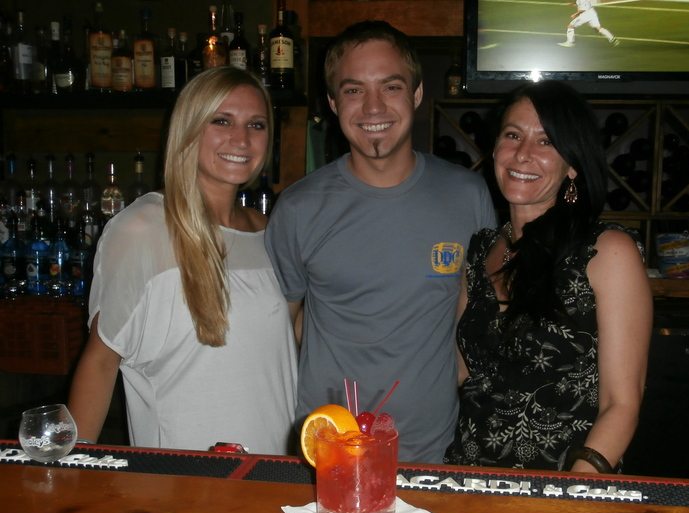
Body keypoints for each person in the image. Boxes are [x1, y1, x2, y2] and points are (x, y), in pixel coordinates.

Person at [265, 21, 496, 464]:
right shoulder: (297, 208)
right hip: (327, 453)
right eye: (353, 90)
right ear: (333, 103)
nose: (373, 107)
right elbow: (281, 330)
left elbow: (472, 317)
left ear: (416, 94)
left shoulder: (468, 196)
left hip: (432, 454)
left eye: (390, 86)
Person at [68, 66, 297, 454]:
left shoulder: (270, 232)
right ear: (189, 128)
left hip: (274, 475)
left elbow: (285, 343)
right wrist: (70, 469)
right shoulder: (141, 229)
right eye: (221, 120)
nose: (241, 138)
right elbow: (101, 361)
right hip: (182, 478)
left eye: (256, 125)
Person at [444, 81, 652, 473]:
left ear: (573, 163)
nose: (523, 154)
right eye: (513, 135)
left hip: (566, 488)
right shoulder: (480, 250)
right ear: (494, 149)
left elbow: (622, 403)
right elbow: (463, 374)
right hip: (471, 478)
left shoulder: (608, 252)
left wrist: (572, 492)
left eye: (546, 142)